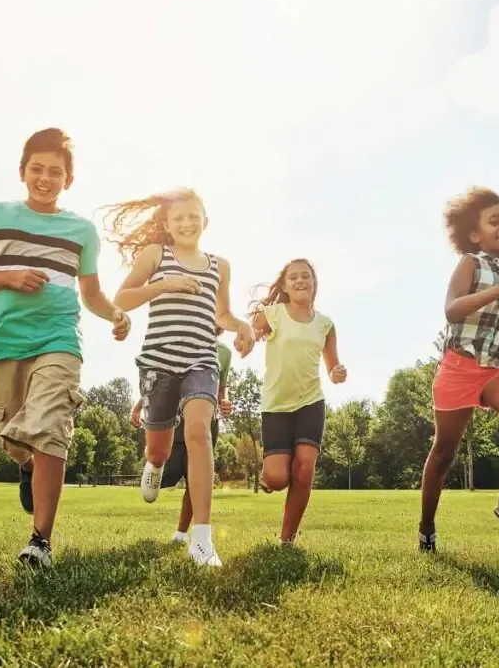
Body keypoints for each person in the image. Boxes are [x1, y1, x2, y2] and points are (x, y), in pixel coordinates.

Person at [0, 128, 130, 569]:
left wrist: (114, 313)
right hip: (6, 342)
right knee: (10, 432)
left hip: (59, 339)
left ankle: (40, 542)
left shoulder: (81, 231)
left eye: (56, 172)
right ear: (22, 171)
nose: (45, 178)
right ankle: (26, 465)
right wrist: (10, 277)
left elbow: (91, 293)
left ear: (68, 179)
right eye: (37, 169)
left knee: (51, 427)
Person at [105, 187, 255, 567]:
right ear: (167, 224)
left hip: (201, 360)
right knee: (159, 448)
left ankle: (202, 540)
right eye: (179, 218)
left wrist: (242, 326)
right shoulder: (156, 254)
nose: (187, 223)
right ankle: (155, 464)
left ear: (205, 220)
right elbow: (121, 299)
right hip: (159, 362)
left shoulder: (220, 265)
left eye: (193, 216)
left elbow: (221, 314)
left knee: (199, 432)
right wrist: (165, 284)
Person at [420, 186, 499, 553]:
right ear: (475, 235)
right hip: (460, 366)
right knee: (444, 451)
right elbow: (453, 310)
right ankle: (426, 525)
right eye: (495, 221)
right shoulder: (471, 263)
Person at [249, 259, 346, 546]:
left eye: (306, 276)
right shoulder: (273, 314)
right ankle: (271, 475)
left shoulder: (325, 324)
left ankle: (287, 540)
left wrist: (337, 373)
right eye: (293, 277)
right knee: (278, 479)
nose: (300, 280)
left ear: (314, 283)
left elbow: (332, 368)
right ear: (285, 285)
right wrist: (246, 340)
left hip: (310, 402)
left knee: (304, 470)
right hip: (276, 406)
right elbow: (251, 334)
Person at [130, 330, 233, 545]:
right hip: (176, 421)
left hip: (207, 422)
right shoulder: (183, 336)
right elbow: (163, 383)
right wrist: (138, 407)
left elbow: (221, 389)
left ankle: (181, 533)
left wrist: (224, 402)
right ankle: (154, 460)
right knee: (168, 473)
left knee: (195, 478)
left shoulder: (224, 352)